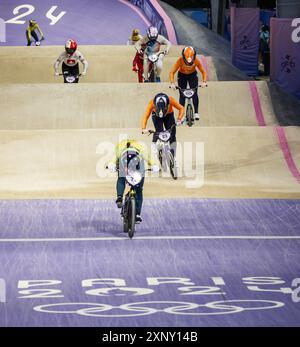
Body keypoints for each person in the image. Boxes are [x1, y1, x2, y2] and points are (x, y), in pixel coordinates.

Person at [107, 139, 159, 223]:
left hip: (130, 160)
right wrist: (153, 165)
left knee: (123, 178)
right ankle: (137, 213)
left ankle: (119, 197)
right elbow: (148, 158)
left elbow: (114, 158)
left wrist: (112, 164)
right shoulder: (125, 148)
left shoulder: (132, 148)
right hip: (129, 160)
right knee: (136, 187)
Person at [141, 93, 184, 162]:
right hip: (156, 116)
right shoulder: (152, 102)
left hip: (168, 115)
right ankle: (154, 143)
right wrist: (143, 128)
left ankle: (173, 157)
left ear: (167, 105)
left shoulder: (170, 100)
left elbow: (181, 108)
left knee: (172, 134)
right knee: (159, 132)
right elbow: (146, 116)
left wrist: (179, 119)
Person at [170, 46, 207, 121]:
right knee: (182, 94)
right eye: (186, 62)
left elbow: (203, 71)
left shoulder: (196, 60)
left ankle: (196, 112)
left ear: (193, 57)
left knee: (194, 92)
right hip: (182, 75)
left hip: (192, 76)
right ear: (183, 57)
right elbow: (172, 72)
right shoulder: (180, 60)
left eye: (190, 63)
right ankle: (182, 113)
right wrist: (172, 83)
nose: (188, 64)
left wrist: (204, 81)